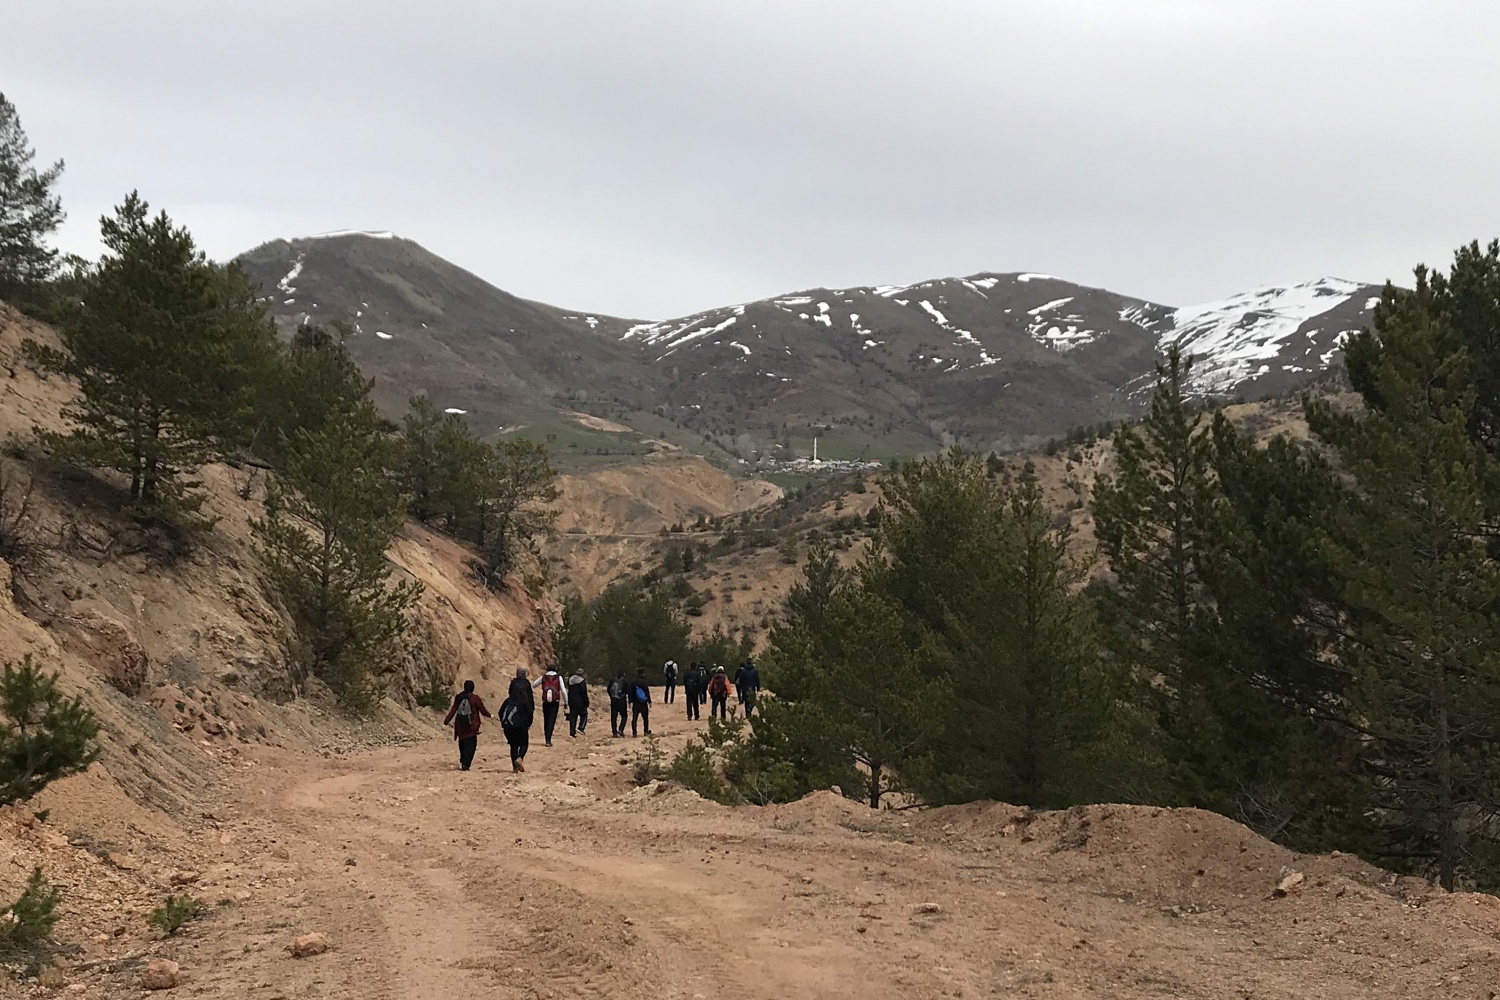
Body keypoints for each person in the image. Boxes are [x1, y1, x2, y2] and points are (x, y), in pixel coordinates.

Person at [442, 680, 491, 771]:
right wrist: (489, 715)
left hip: (460, 725)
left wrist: (446, 721)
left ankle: (462, 761)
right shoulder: (475, 698)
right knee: (471, 746)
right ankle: (466, 764)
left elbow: (453, 710)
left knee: (462, 743)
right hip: (471, 726)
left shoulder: (459, 697)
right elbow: (482, 709)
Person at [499, 666, 535, 772]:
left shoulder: (508, 700)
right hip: (521, 724)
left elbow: (501, 712)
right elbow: (530, 710)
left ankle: (514, 767)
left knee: (513, 745)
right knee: (524, 743)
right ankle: (520, 758)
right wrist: (529, 723)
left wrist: (503, 723)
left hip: (509, 725)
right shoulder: (525, 695)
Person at [533, 663, 567, 747]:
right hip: (555, 701)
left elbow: (534, 685)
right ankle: (549, 739)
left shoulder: (543, 677)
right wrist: (566, 702)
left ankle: (546, 738)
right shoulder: (558, 677)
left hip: (545, 701)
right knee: (552, 719)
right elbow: (563, 691)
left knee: (546, 719)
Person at [630, 668, 653, 737]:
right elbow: (647, 692)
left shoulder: (633, 682)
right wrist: (649, 701)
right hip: (643, 702)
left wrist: (630, 701)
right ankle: (645, 731)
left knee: (634, 718)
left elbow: (631, 693)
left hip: (635, 703)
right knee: (645, 718)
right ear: (643, 674)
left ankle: (634, 732)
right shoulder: (644, 682)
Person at [566, 670, 590, 737]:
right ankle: (581, 728)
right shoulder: (581, 682)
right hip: (580, 702)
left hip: (571, 701)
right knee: (584, 715)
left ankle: (572, 732)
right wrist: (586, 702)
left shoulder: (570, 680)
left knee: (573, 717)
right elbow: (584, 693)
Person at [608, 671, 629, 738]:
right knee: (624, 716)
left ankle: (614, 732)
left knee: (614, 717)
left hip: (613, 700)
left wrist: (611, 697)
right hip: (621, 701)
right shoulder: (624, 682)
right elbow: (627, 691)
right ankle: (621, 729)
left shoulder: (612, 681)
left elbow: (608, 689)